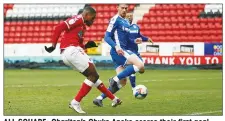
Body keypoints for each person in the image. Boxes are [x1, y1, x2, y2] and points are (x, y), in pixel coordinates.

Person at [44, 6, 122, 114]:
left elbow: (79, 44)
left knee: (93, 77)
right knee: (93, 76)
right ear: (86, 15)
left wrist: (87, 46)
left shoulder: (82, 27)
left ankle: (114, 99)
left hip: (70, 53)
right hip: (71, 50)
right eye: (92, 18)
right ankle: (75, 102)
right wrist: (53, 45)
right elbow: (59, 27)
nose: (93, 21)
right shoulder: (77, 19)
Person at [93, 4, 151, 107]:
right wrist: (116, 47)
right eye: (122, 8)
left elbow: (126, 39)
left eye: (126, 8)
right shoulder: (115, 19)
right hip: (119, 51)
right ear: (117, 8)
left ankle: (99, 98)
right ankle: (114, 79)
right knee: (140, 65)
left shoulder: (125, 22)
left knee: (123, 81)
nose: (124, 10)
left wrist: (135, 40)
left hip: (121, 51)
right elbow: (106, 37)